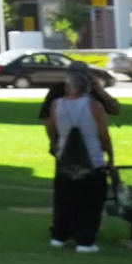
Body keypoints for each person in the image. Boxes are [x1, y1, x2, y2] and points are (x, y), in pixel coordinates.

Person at [44, 69, 113, 252]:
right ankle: (85, 241)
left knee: (65, 200)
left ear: (68, 87)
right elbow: (104, 135)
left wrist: (56, 143)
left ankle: (59, 235)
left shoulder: (56, 105)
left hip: (66, 159)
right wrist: (110, 156)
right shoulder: (94, 106)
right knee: (91, 203)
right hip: (92, 159)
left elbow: (51, 127)